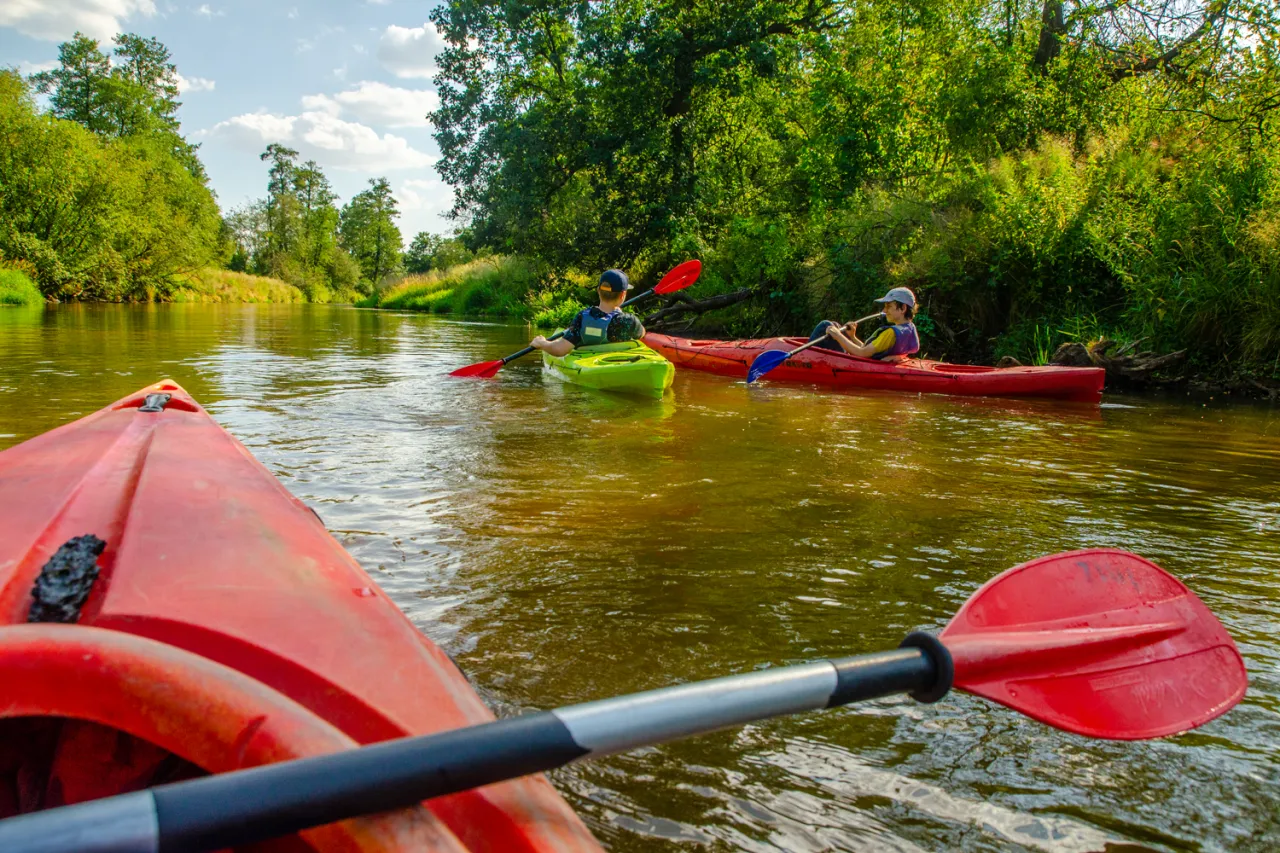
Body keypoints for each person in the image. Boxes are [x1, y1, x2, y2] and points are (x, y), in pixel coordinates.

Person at [531, 269, 646, 357]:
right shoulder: (628, 320)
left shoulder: (583, 317)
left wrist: (543, 343)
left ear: (598, 291)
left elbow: (560, 350)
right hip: (618, 363)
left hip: (588, 361)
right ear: (622, 295)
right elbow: (642, 334)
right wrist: (620, 313)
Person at [808, 287, 920, 362]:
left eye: (888, 306)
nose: (885, 311)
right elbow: (870, 352)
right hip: (872, 361)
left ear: (903, 308)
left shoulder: (890, 333)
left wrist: (837, 335)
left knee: (825, 325)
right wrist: (852, 337)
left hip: (860, 363)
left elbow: (862, 353)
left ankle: (802, 360)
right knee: (836, 326)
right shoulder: (909, 328)